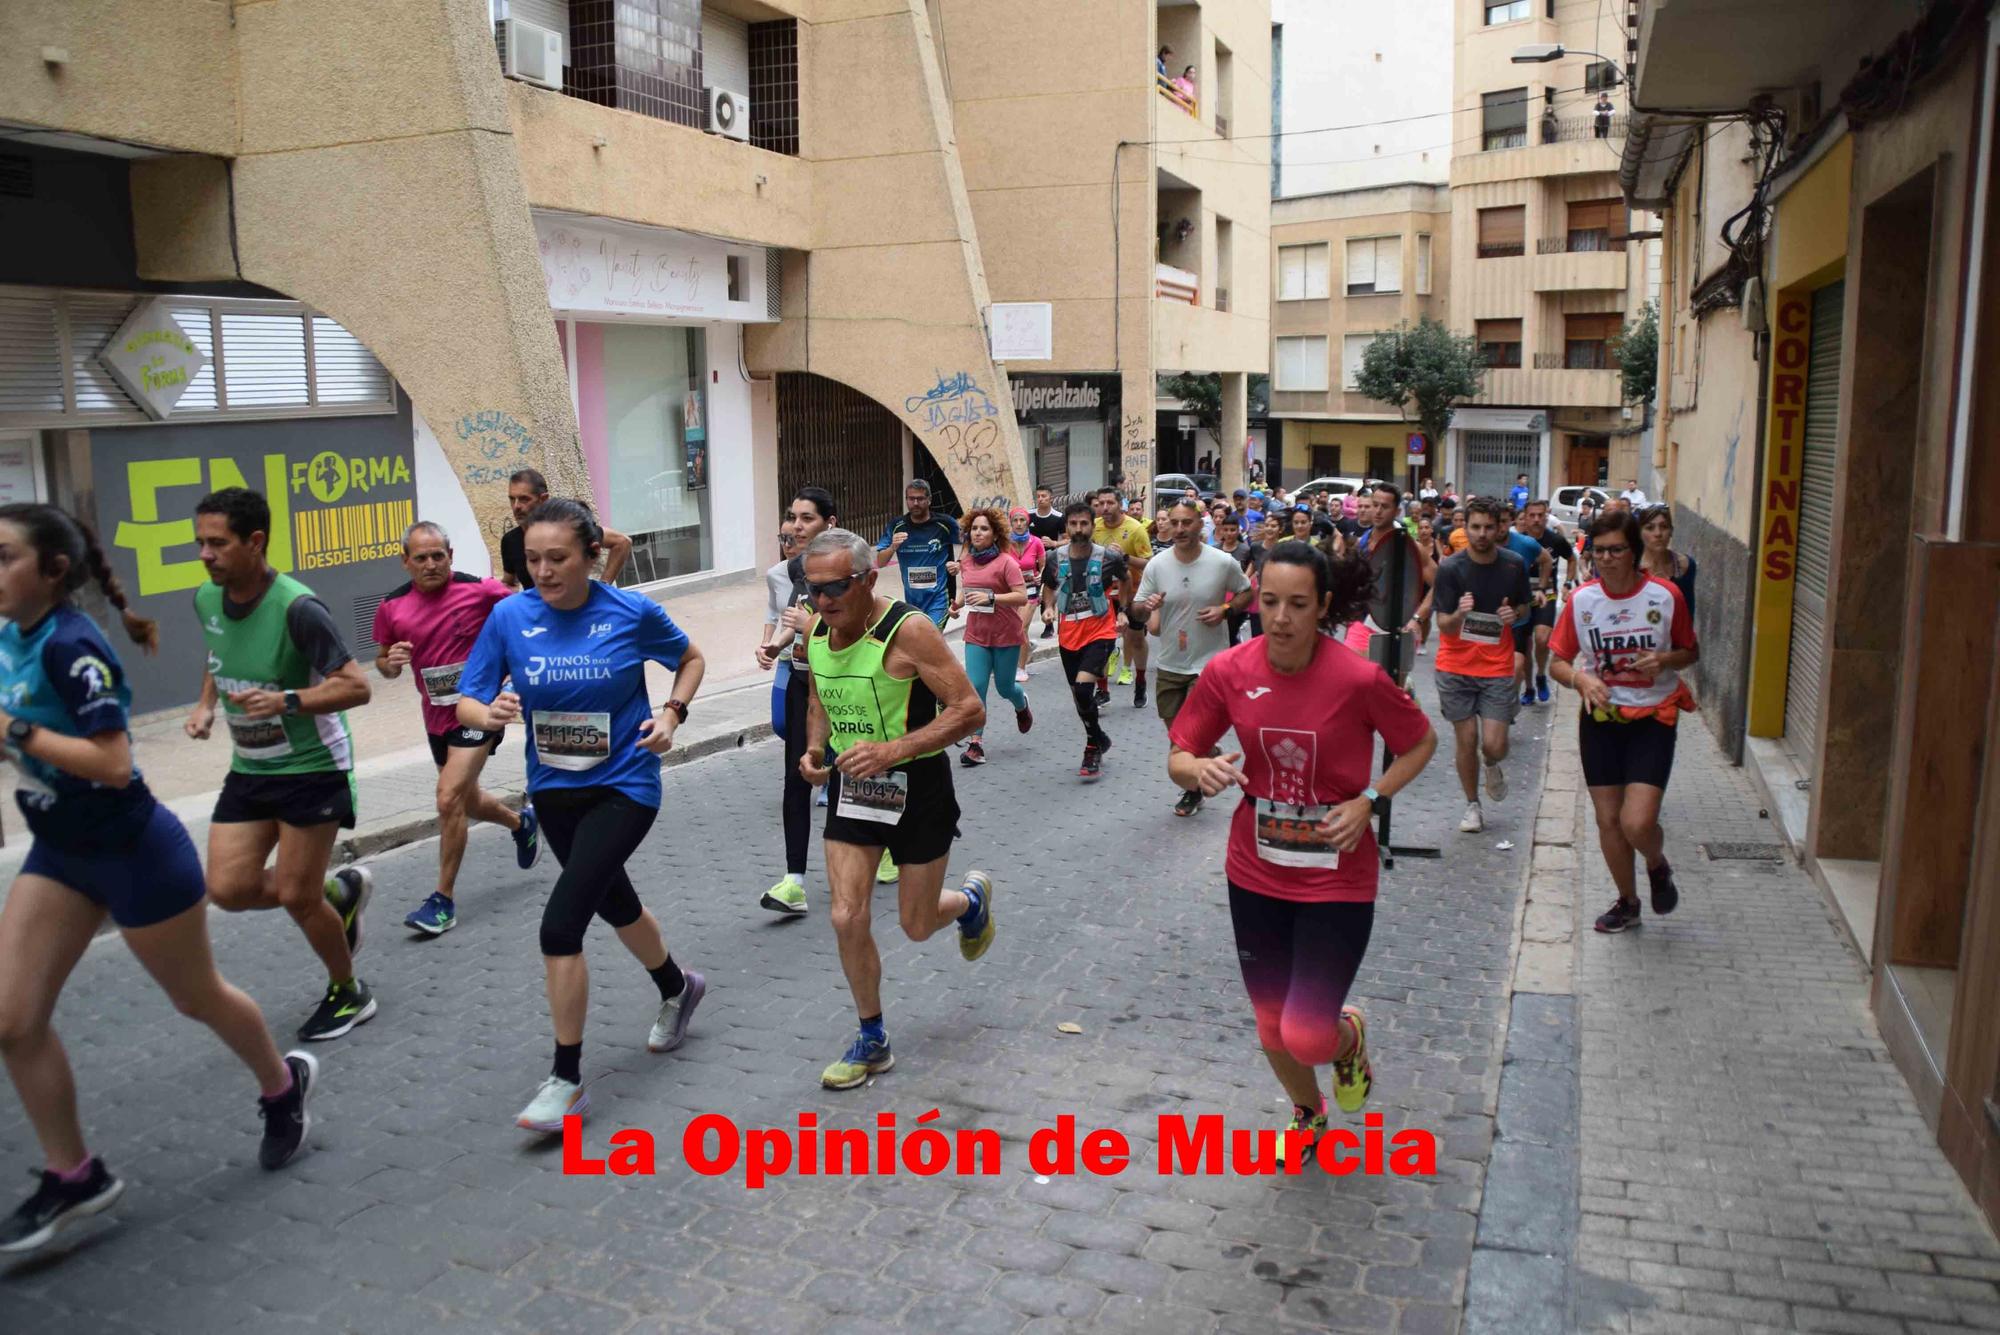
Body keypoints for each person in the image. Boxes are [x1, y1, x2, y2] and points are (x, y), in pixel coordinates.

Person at [0, 504, 322, 1254]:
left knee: (195, 996)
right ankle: (74, 1174)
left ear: (51, 570)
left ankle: (282, 1086)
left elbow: (114, 764)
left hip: (133, 849)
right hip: (59, 849)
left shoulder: (71, 646)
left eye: (4, 555)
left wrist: (13, 731)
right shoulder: (11, 637)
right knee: (13, 1021)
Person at [1168, 542, 1437, 1137]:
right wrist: (1200, 772)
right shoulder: (1229, 671)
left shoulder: (1358, 678)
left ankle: (1348, 1038)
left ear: (1324, 607)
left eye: (1297, 604)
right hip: (1255, 871)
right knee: (1271, 1027)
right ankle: (1308, 1114)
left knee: (1309, 1033)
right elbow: (1180, 755)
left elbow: (1420, 741)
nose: (1281, 618)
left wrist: (1371, 799)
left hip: (1338, 877)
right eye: (1269, 602)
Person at [457, 499, 708, 1131]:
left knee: (561, 926)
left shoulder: (629, 612)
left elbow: (691, 658)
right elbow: (467, 696)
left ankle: (566, 1080)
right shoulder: (509, 617)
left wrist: (673, 713)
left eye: (558, 558)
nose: (542, 571)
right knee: (615, 904)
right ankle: (679, 987)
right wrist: (485, 716)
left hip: (625, 785)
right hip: (554, 791)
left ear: (591, 556)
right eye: (533, 558)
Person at [797, 529, 995, 1089]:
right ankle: (872, 1037)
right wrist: (815, 752)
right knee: (845, 915)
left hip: (919, 787)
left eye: (835, 586)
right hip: (854, 789)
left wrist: (894, 749)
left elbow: (970, 709)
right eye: (813, 589)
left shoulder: (908, 630)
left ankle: (969, 902)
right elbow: (819, 701)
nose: (823, 600)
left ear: (866, 579)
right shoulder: (817, 631)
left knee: (915, 923)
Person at [186, 488, 379, 1042]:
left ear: (256, 541)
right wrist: (205, 705)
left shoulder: (299, 608)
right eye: (200, 542)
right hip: (250, 767)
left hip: (313, 766)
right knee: (227, 888)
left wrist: (288, 700)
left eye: (217, 543)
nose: (205, 553)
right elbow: (217, 652)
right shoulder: (206, 598)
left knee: (297, 894)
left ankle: (349, 991)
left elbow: (356, 687)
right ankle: (338, 896)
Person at [373, 522, 538, 935]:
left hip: (480, 713)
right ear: (405, 561)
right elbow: (383, 662)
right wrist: (389, 664)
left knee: (448, 797)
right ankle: (522, 824)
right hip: (437, 718)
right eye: (421, 558)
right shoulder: (392, 607)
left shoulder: (481, 591)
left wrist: (510, 677)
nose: (431, 564)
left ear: (450, 555)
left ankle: (442, 901)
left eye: (438, 556)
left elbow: (529, 616)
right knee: (465, 800)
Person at [1549, 509, 1698, 933]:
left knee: (1638, 822)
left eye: (1616, 550)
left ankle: (1656, 862)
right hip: (1602, 717)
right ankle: (1628, 903)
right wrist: (1581, 679)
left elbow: (1691, 651)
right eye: (1599, 551)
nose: (1608, 558)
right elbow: (1557, 662)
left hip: (1654, 713)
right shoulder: (1583, 601)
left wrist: (1665, 659)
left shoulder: (1666, 596)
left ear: (1634, 553)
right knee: (1608, 820)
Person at [1135, 499, 1253, 816]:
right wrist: (1146, 607)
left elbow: (1247, 592)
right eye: (1174, 523)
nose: (1179, 529)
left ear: (1201, 525)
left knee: (1187, 740)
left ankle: (1192, 791)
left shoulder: (1222, 562)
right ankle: (1210, 756)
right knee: (1177, 732)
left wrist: (1225, 609)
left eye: (1186, 522)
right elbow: (1136, 607)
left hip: (1209, 665)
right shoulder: (1157, 566)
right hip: (1171, 663)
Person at [756, 487, 837, 916]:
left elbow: (859, 628)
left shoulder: (850, 568)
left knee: (848, 772)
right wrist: (776, 646)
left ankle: (880, 844)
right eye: (793, 517)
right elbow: (792, 620)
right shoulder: (788, 572)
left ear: (830, 524)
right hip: (804, 683)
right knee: (796, 778)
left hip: (846, 688)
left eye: (807, 518)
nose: (797, 526)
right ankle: (794, 882)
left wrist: (812, 625)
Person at [1430, 498, 1532, 834]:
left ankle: (1491, 762)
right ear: (1465, 528)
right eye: (1475, 527)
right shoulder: (1450, 568)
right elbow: (1443, 624)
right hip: (1455, 666)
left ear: (1500, 527)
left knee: (1494, 744)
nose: (1482, 534)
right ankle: (1472, 805)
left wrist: (1513, 615)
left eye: (1489, 527)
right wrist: (1459, 614)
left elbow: (1524, 609)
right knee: (1466, 738)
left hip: (1496, 666)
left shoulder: (1514, 565)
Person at [1044, 502, 1130, 779]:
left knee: (1083, 690)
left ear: (1093, 526)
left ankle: (1092, 746)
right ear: (1066, 527)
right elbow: (1048, 585)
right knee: (1079, 698)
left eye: (1084, 524)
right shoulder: (1055, 558)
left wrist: (1124, 612)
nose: (1079, 529)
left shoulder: (1108, 557)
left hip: (1100, 630)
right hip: (1068, 633)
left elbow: (1125, 580)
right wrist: (1047, 607)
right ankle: (1098, 737)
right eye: (1073, 524)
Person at [953, 507, 1033, 766]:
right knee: (976, 687)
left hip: (1006, 634)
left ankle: (1021, 704)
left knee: (1005, 687)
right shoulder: (966, 562)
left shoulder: (1006, 563)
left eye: (984, 528)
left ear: (995, 534)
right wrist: (955, 606)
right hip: (976, 634)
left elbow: (1021, 596)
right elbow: (966, 592)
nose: (978, 533)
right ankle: (976, 744)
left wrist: (993, 598)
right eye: (974, 528)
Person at [499, 468, 631, 590]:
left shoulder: (566, 531)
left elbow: (622, 542)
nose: (516, 506)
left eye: (524, 499)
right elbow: (509, 582)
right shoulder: (510, 541)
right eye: (512, 499)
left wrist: (604, 586)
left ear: (543, 499)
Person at [1092, 486, 1154, 706]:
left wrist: (1124, 558)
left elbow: (1149, 563)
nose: (1105, 508)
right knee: (1100, 643)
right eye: (1101, 503)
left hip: (1134, 591)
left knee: (1135, 638)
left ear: (1120, 505)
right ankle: (1102, 690)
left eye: (1110, 503)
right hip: (1103, 593)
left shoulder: (1135, 529)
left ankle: (1140, 681)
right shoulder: (1095, 527)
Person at [874, 478, 961, 630]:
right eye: (911, 499)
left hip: (939, 598)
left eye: (920, 499)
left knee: (929, 636)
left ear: (929, 500)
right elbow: (880, 562)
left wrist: (960, 563)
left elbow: (970, 541)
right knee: (922, 643)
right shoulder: (897, 525)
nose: (915, 503)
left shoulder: (944, 524)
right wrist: (893, 547)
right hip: (913, 600)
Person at [1518, 499, 1579, 705]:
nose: (1536, 520)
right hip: (1523, 597)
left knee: (1542, 639)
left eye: (1540, 515)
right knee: (1525, 644)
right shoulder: (1518, 540)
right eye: (1532, 515)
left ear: (1547, 516)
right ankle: (1528, 687)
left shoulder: (1555, 540)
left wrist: (1567, 584)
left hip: (1548, 593)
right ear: (1525, 518)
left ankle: (1541, 675)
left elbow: (1572, 559)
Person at [1500, 504, 1554, 705]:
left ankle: (1509, 703)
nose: (1499, 527)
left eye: (1504, 521)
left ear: (1511, 522)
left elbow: (1547, 561)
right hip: (1490, 616)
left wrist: (1542, 587)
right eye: (1495, 523)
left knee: (1524, 655)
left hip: (1524, 608)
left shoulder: (1527, 543)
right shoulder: (1481, 545)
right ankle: (1527, 689)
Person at [1638, 505, 1697, 618]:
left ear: (1671, 531)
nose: (1658, 534)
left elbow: (1688, 613)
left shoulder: (1685, 566)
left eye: (1664, 527)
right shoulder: (1632, 568)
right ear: (1640, 532)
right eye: (1650, 528)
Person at [1006, 508, 1045, 676]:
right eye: (1015, 520)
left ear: (1027, 522)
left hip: (1031, 590)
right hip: (1011, 591)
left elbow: (1043, 566)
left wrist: (1040, 578)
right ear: (1011, 523)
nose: (1019, 524)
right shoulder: (1004, 543)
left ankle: (1021, 669)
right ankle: (1028, 647)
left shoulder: (1036, 542)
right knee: (1014, 628)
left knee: (1021, 628)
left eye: (1022, 520)